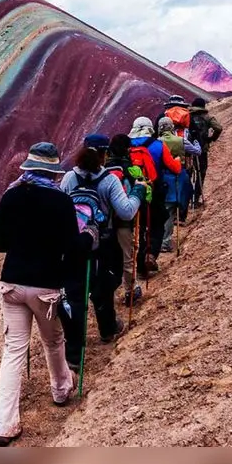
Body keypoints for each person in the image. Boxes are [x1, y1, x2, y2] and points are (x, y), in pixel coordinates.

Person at [0, 142, 83, 446]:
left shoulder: (11, 195)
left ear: (28, 169)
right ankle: (60, 390)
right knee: (53, 340)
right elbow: (71, 247)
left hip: (11, 283)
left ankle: (4, 425)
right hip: (45, 285)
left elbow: (0, 244)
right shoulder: (60, 201)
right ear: (53, 172)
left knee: (13, 350)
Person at [58, 134, 146, 367]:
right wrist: (138, 192)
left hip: (73, 243)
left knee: (75, 295)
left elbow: (62, 205)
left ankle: (74, 353)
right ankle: (107, 328)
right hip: (101, 243)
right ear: (104, 154)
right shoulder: (109, 180)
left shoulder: (69, 177)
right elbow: (126, 212)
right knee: (103, 287)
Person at [128, 117, 181, 285]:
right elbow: (174, 168)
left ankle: (137, 263)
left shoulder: (127, 146)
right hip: (155, 191)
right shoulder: (158, 145)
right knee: (156, 223)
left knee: (138, 227)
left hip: (132, 193)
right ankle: (150, 254)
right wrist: (178, 160)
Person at [105, 134, 144, 304]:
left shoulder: (102, 169)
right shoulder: (131, 170)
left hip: (103, 223)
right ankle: (130, 290)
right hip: (124, 221)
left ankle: (106, 294)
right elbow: (143, 193)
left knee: (106, 258)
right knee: (128, 256)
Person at [157, 117, 191, 252]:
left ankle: (158, 241)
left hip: (161, 178)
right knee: (171, 210)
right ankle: (165, 242)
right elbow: (195, 151)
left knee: (162, 209)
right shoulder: (180, 140)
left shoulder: (157, 142)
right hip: (177, 177)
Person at [188, 97, 223, 207]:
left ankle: (186, 198)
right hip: (202, 149)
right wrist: (211, 138)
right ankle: (196, 199)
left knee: (188, 173)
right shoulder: (207, 117)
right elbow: (218, 128)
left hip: (188, 150)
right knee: (200, 173)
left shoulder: (187, 116)